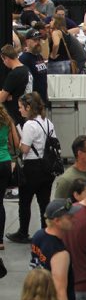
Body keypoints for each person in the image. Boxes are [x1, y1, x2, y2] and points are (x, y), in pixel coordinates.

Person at [6, 92, 56, 244]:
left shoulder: (29, 125)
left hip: (32, 167)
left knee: (25, 201)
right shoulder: (48, 122)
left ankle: (23, 232)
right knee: (44, 201)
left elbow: (25, 149)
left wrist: (19, 142)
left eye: (21, 107)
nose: (19, 110)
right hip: (47, 166)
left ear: (28, 107)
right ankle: (46, 231)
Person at [30, 198, 79, 300]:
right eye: (69, 217)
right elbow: (60, 291)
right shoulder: (60, 253)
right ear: (57, 221)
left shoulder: (39, 235)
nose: (74, 219)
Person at [0, 44, 33, 126]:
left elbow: (1, 98)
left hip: (15, 115)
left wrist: (8, 96)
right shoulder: (26, 69)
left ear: (6, 58)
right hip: (25, 111)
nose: (4, 63)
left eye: (3, 60)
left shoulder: (14, 74)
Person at [0, 104, 18, 250]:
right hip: (5, 163)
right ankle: (0, 241)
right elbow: (16, 143)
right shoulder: (7, 120)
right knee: (0, 203)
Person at [19, 29, 48, 104]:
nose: (38, 42)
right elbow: (25, 82)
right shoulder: (24, 59)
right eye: (35, 40)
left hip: (42, 98)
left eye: (39, 40)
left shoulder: (39, 56)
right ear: (27, 41)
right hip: (33, 101)